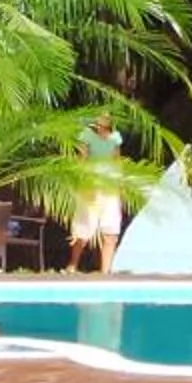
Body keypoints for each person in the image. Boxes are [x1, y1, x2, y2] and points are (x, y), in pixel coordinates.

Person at [68, 114, 126, 273]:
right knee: (83, 230)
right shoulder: (87, 136)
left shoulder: (115, 137)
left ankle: (105, 271)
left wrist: (121, 188)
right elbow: (81, 161)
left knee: (110, 231)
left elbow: (117, 161)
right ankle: (72, 266)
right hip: (89, 187)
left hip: (110, 188)